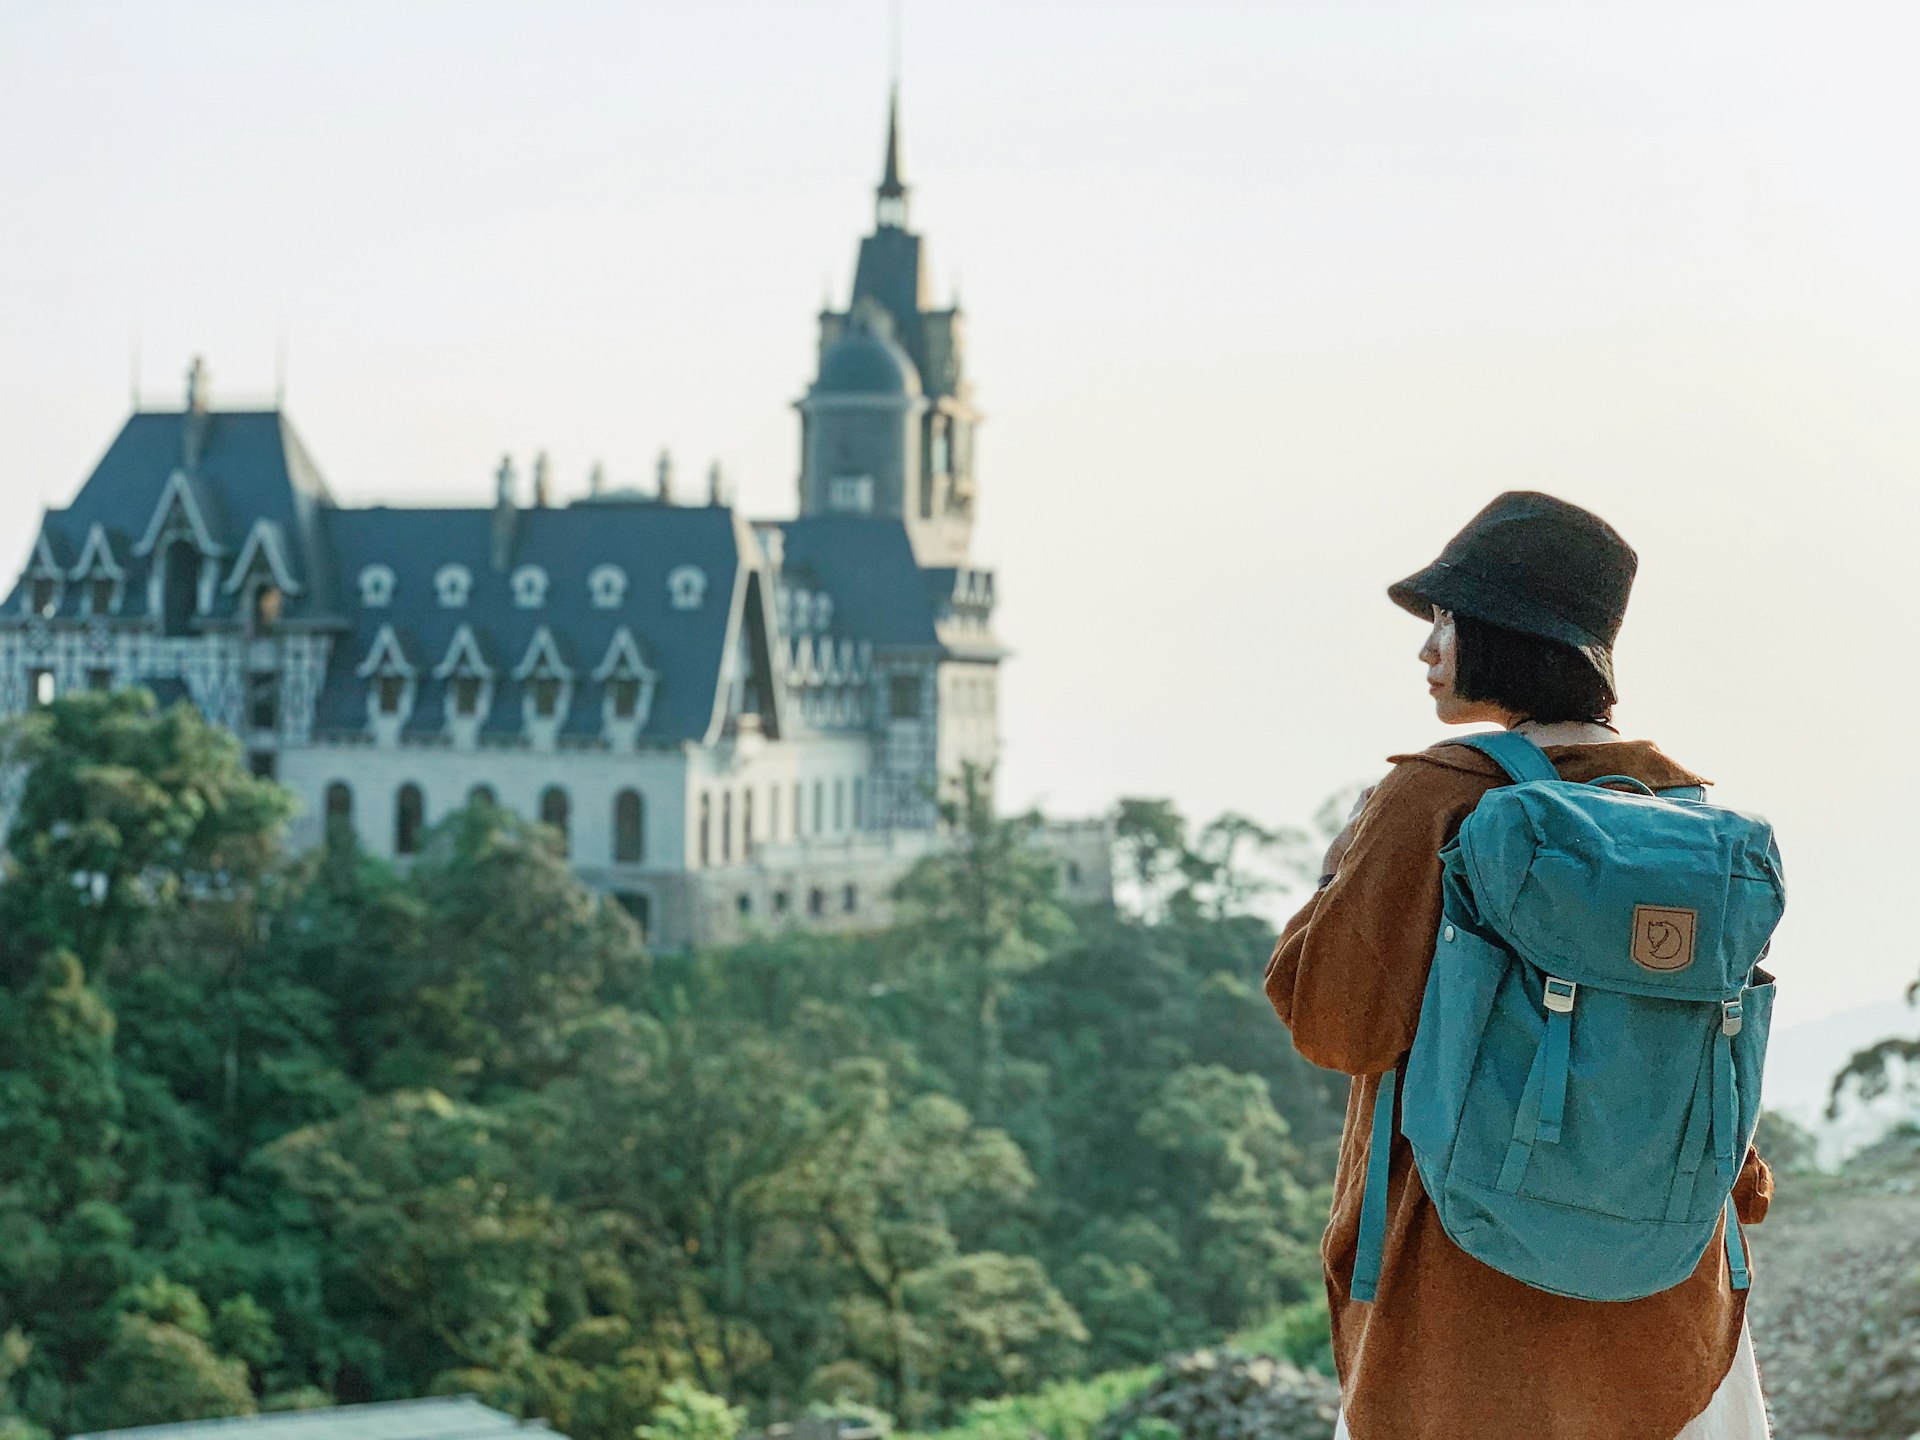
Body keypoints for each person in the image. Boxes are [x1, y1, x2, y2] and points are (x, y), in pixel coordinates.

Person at [1264, 492, 1772, 1440]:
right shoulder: (1689, 813)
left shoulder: (1434, 796)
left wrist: (1339, 873)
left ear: (1503, 638)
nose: (1425, 652)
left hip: (1463, 1290)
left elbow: (1336, 1024)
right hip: (1667, 1286)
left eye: (1446, 625)